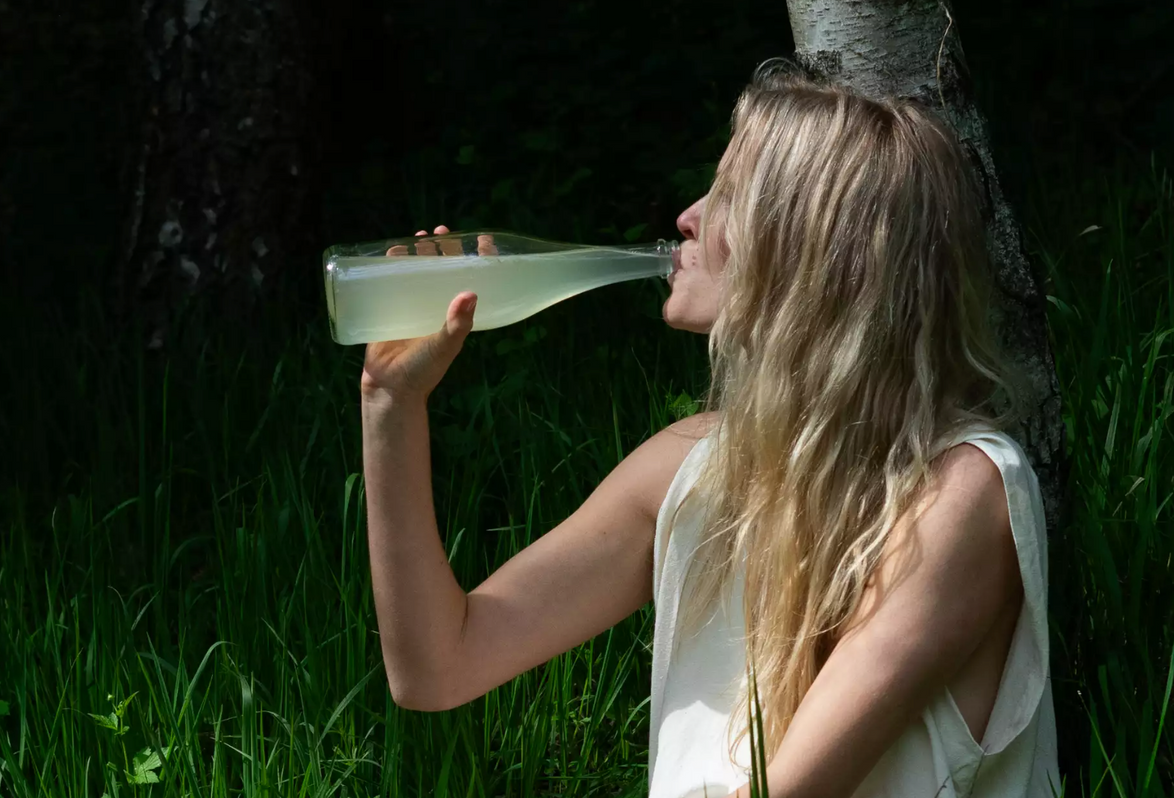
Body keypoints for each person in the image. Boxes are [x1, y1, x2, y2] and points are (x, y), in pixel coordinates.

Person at [356, 64, 1059, 798]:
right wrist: (391, 406)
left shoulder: (961, 493)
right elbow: (437, 667)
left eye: (727, 196)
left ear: (809, 250)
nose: (687, 215)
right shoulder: (690, 465)